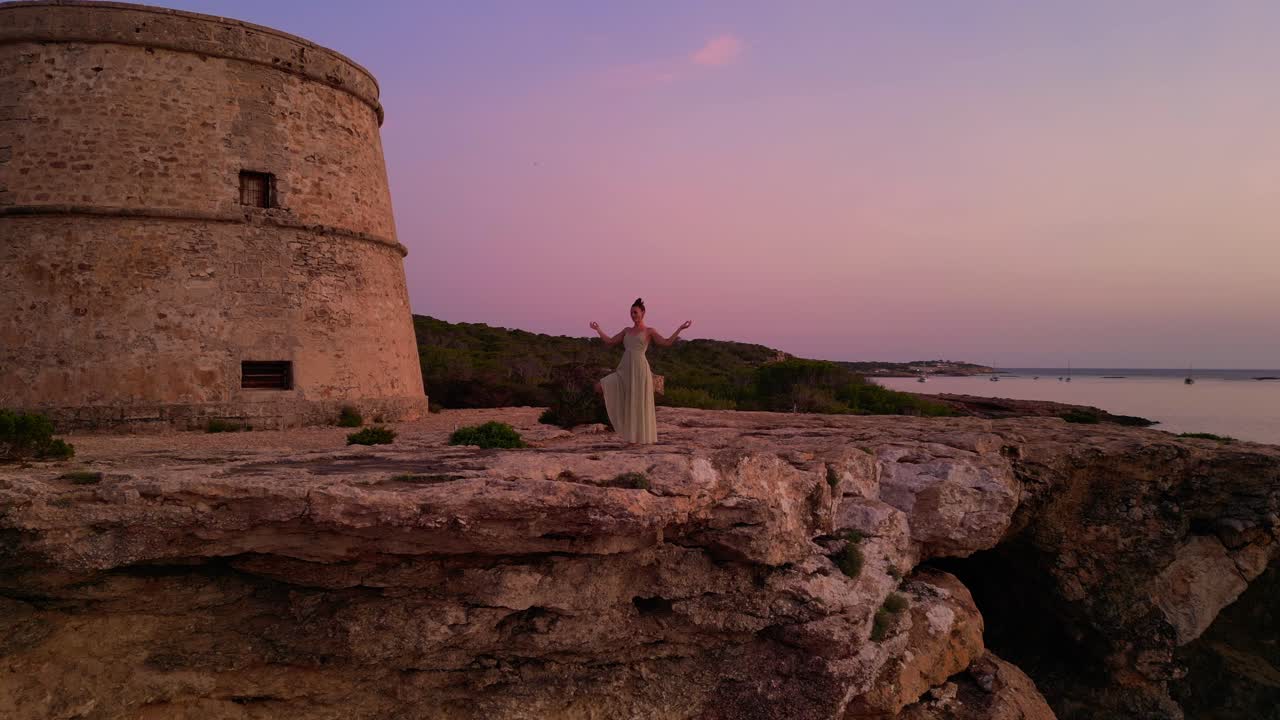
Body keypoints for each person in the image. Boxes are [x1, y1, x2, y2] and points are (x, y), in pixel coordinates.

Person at [590, 298, 692, 445]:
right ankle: (625, 430)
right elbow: (610, 341)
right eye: (631, 312)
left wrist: (680, 329)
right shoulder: (627, 330)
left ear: (643, 313)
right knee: (599, 386)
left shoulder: (649, 331)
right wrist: (598, 329)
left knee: (637, 402)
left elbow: (666, 342)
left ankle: (635, 439)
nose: (633, 315)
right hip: (625, 368)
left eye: (636, 312)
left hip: (640, 369)